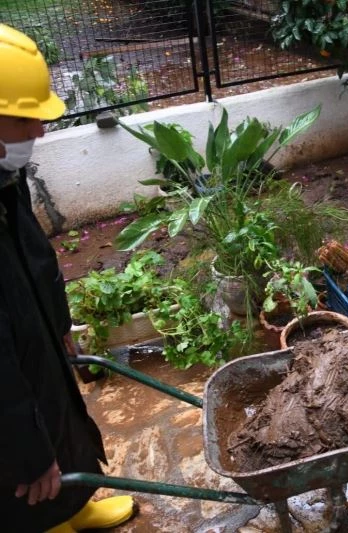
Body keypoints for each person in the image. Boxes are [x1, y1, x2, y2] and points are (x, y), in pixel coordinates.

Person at [0, 24, 135, 532]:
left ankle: (72, 506)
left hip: (33, 344)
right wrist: (27, 456)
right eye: (23, 118)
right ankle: (44, 522)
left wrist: (58, 325)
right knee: (26, 469)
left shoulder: (3, 179)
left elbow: (36, 262)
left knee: (58, 413)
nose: (37, 131)